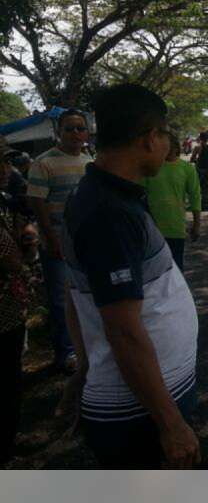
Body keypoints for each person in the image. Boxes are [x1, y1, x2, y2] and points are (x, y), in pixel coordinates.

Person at [62, 83, 203, 469]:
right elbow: (123, 330)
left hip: (143, 401)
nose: (166, 146)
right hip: (137, 414)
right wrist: (171, 424)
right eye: (164, 136)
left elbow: (75, 291)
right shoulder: (109, 213)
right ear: (148, 139)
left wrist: (87, 365)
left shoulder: (105, 197)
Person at [26, 108, 92, 374]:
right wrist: (51, 238)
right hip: (57, 242)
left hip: (85, 242)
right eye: (70, 128)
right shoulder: (44, 162)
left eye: (80, 128)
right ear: (59, 132)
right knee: (60, 299)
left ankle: (86, 347)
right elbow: (36, 201)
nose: (76, 133)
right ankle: (65, 354)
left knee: (86, 295)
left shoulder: (89, 161)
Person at [0, 137, 38, 466]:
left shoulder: (7, 200)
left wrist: (27, 229)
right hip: (4, 310)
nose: (7, 170)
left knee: (11, 375)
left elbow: (23, 232)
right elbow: (11, 258)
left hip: (10, 309)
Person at [142, 133, 201, 272]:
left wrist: (197, 224)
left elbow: (195, 197)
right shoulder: (151, 168)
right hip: (152, 230)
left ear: (174, 148)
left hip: (176, 229)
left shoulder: (186, 169)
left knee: (176, 270)